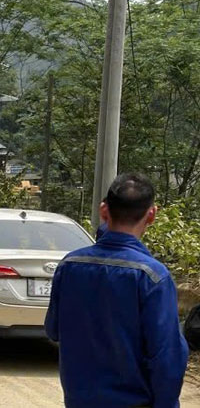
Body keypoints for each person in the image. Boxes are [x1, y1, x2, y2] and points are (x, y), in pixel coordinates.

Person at [45, 173, 188, 408]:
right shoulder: (152, 276)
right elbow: (166, 357)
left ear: (104, 210)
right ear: (151, 214)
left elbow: (53, 330)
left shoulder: (69, 265)